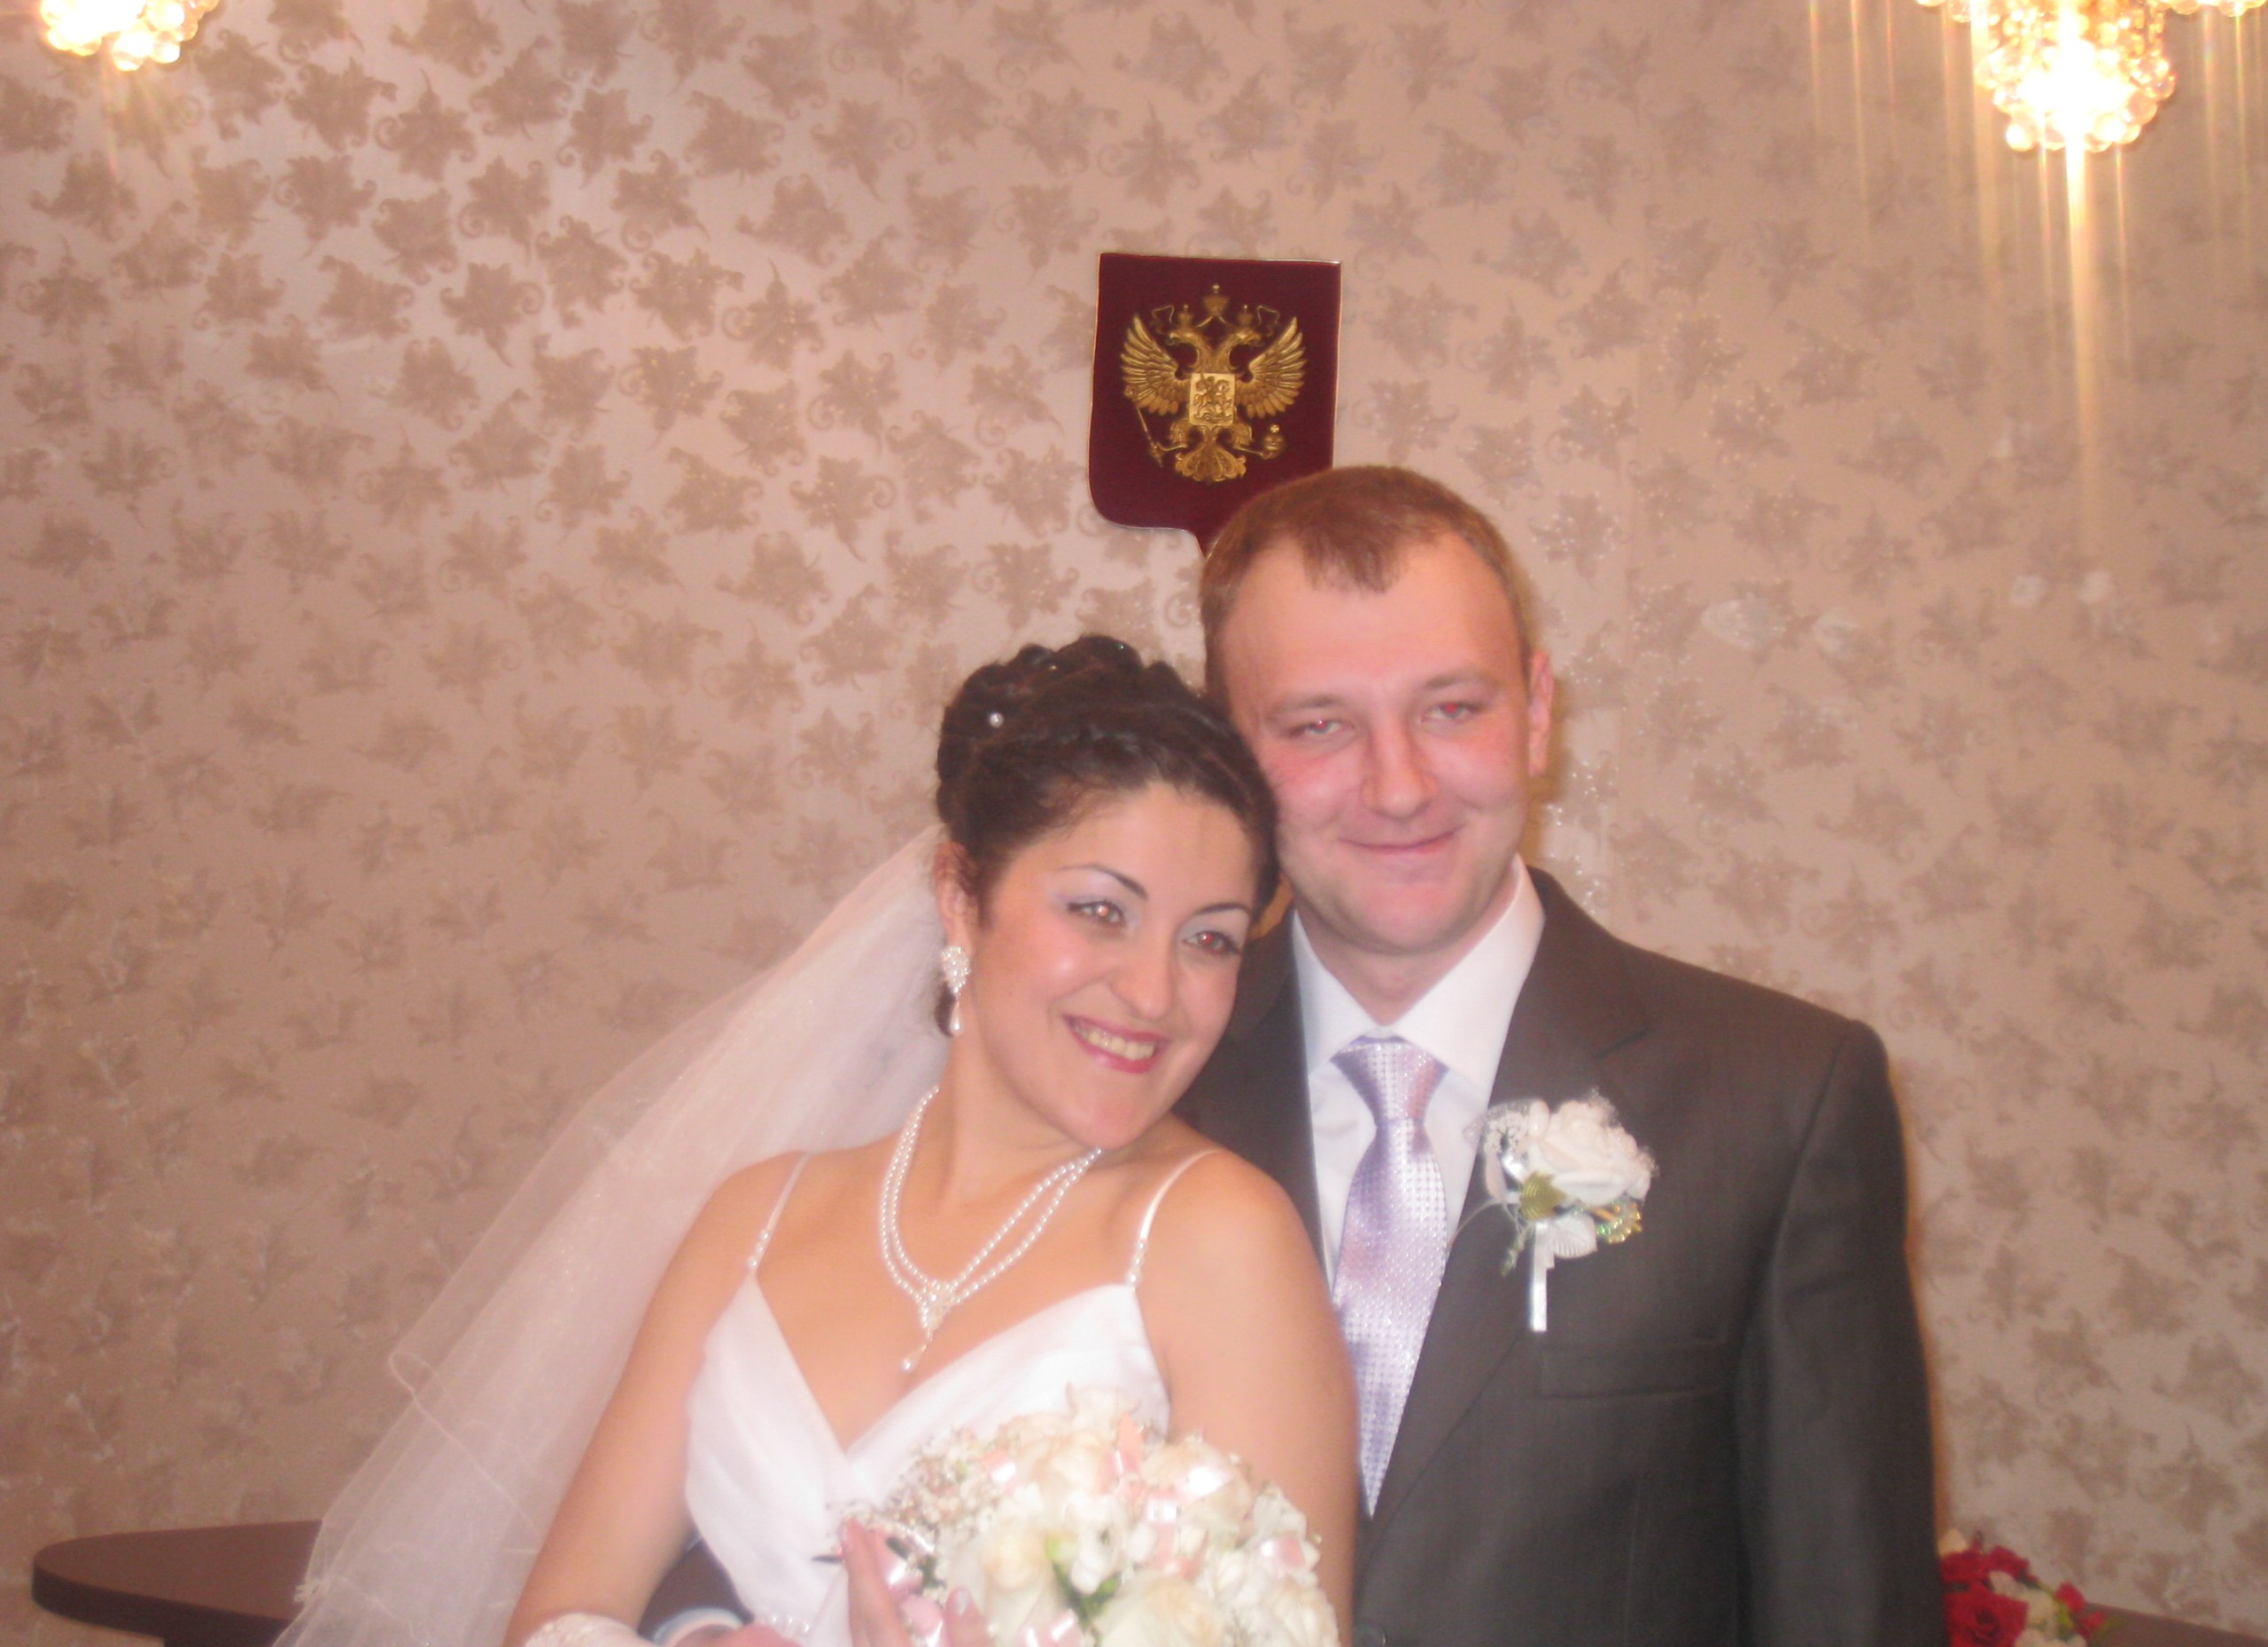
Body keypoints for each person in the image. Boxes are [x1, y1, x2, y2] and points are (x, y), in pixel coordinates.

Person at [282, 637, 1355, 1647]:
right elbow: (563, 1614)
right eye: (1100, 912)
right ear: (960, 897)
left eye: (1208, 939)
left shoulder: (1218, 1234)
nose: (1156, 993)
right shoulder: (756, 1219)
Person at [1176, 466, 1941, 1647]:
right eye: (1319, 725)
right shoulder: (1148, 1089)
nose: (1398, 786)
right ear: (1229, 753)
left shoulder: (1780, 1103)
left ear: (1536, 712)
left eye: (1452, 708)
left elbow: (1850, 1614)